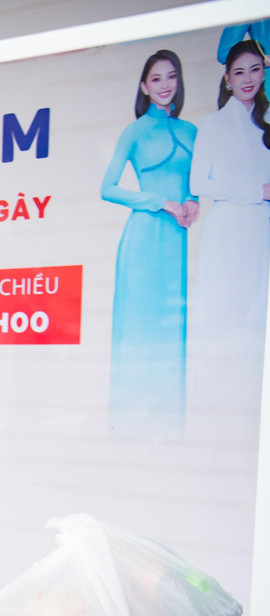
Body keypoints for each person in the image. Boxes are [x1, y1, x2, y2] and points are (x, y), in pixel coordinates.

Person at [100, 50, 199, 435]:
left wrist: (192, 200)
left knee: (172, 330)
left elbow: (198, 182)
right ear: (144, 85)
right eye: (156, 79)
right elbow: (107, 188)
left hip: (177, 242)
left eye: (171, 76)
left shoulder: (192, 131)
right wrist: (159, 202)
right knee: (138, 331)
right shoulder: (136, 130)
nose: (165, 85)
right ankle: (126, 427)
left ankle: (169, 427)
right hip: (143, 238)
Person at [188, 40, 270, 436]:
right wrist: (256, 191)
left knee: (257, 328)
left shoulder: (266, 122)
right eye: (239, 72)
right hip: (228, 236)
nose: (248, 79)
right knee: (222, 325)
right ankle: (218, 423)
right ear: (227, 77)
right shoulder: (215, 124)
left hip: (261, 234)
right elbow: (200, 182)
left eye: (256, 69)